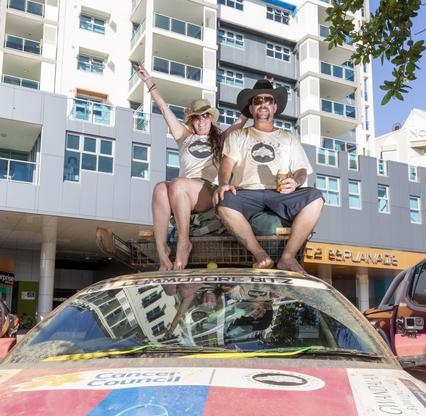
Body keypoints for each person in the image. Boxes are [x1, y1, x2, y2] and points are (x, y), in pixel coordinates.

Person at [136, 63, 247, 271]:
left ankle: (183, 243)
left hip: (207, 192)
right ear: (191, 120)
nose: (201, 120)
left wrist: (259, 93)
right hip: (182, 194)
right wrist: (148, 81)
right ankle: (163, 256)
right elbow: (163, 108)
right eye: (197, 117)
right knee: (160, 188)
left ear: (211, 119)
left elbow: (241, 121)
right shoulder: (184, 137)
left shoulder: (221, 139)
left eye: (205, 115)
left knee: (176, 183)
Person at [212, 79, 324, 274]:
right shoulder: (238, 136)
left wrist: (295, 181)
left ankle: (287, 257)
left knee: (315, 198)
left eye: (267, 100)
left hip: (279, 193)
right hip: (247, 192)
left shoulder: (288, 137)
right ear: (251, 108)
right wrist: (223, 184)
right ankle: (260, 254)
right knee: (224, 201)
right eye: (257, 101)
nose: (262, 104)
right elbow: (226, 165)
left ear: (274, 106)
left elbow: (301, 170)